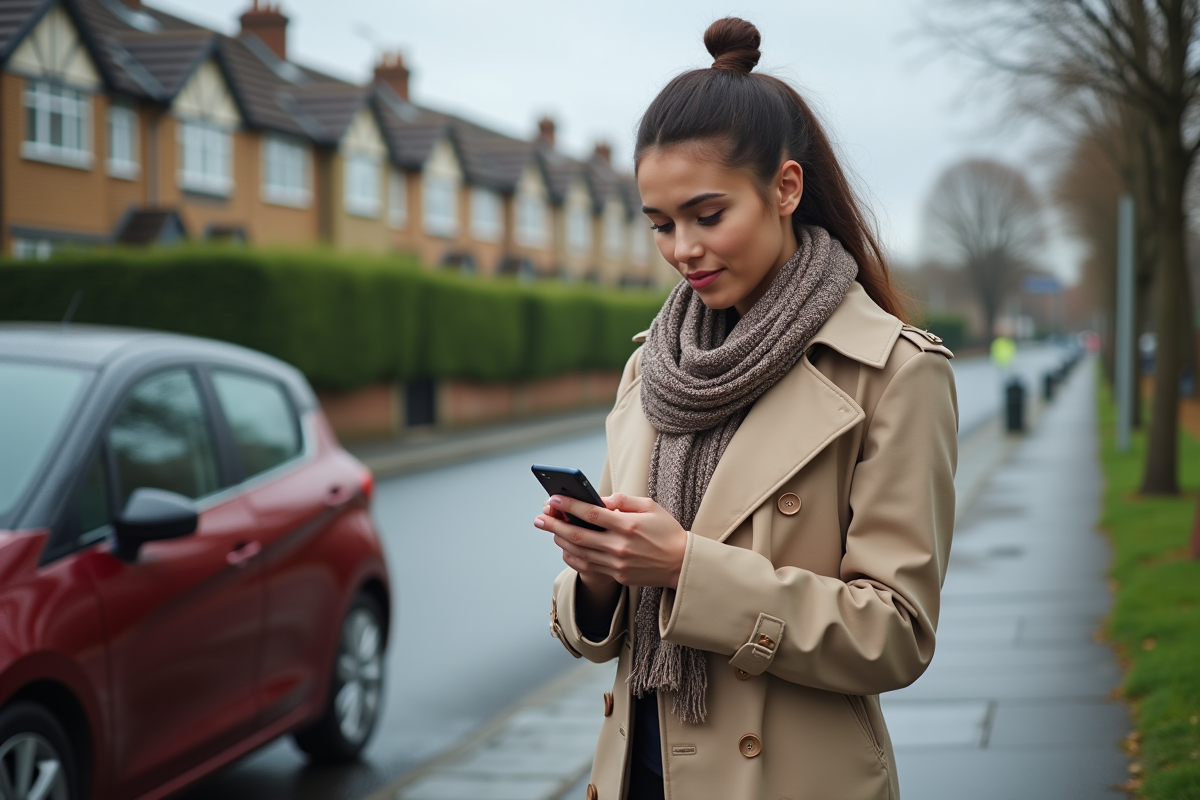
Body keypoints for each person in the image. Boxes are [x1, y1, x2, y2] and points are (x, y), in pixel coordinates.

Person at [535, 17, 957, 800]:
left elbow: (895, 635)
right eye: (660, 225)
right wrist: (600, 572)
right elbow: (603, 631)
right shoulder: (652, 365)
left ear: (785, 189)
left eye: (707, 215)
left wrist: (686, 569)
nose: (682, 249)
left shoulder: (893, 372)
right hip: (638, 774)